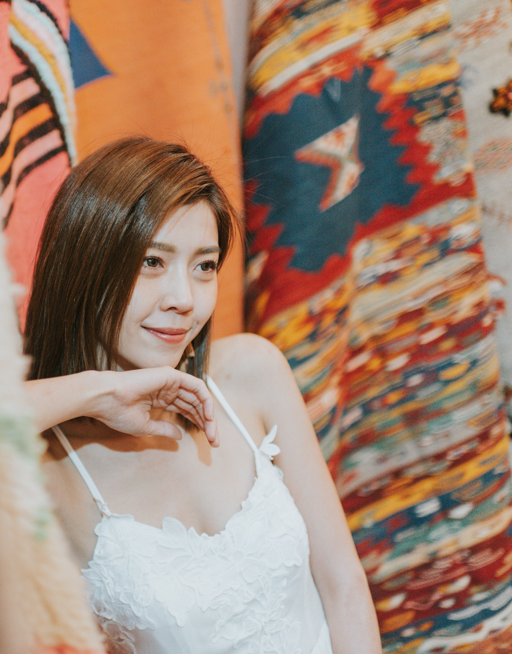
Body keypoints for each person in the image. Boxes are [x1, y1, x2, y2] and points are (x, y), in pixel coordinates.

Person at [22, 137, 380, 654]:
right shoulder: (43, 466)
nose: (184, 300)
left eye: (204, 266)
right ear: (84, 265)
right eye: (152, 261)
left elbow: (344, 585)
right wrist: (101, 389)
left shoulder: (251, 372)